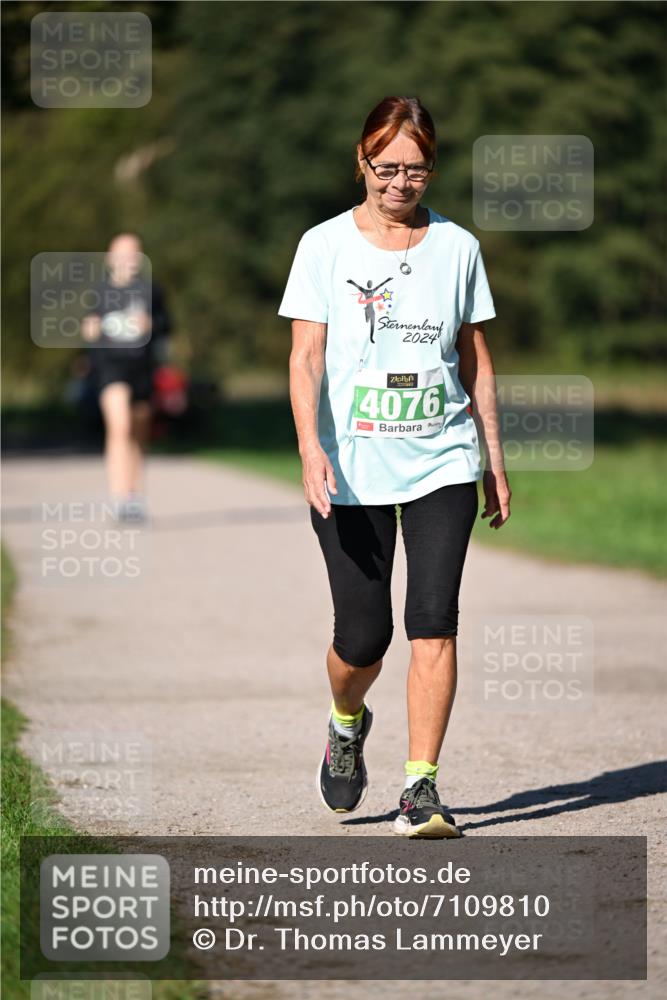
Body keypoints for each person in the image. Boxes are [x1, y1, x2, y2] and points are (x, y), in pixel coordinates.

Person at [278, 96, 511, 839]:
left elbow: (475, 359)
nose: (400, 183)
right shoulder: (322, 246)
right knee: (362, 638)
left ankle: (421, 789)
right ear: (361, 161)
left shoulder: (457, 248)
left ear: (431, 169)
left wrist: (492, 459)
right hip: (349, 467)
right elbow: (304, 354)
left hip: (441, 457)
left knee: (432, 622)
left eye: (414, 169)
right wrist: (311, 448)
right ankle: (346, 720)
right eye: (386, 167)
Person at [82, 233, 171, 522]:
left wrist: (152, 324)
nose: (128, 259)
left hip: (141, 369)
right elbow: (87, 330)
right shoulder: (98, 292)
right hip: (110, 368)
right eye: (122, 253)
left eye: (134, 253)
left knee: (138, 432)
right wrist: (90, 330)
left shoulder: (152, 291)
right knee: (119, 427)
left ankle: (135, 494)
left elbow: (167, 325)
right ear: (110, 259)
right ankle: (119, 496)